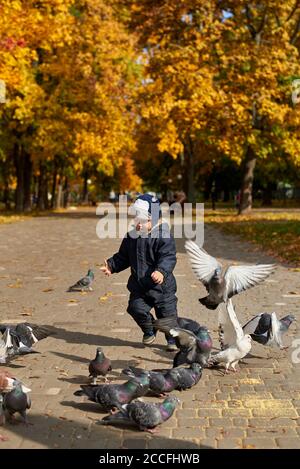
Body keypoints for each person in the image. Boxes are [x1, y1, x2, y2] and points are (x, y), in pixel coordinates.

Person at [100, 193, 178, 351]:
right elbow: (123, 256)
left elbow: (168, 256)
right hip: (140, 287)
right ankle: (150, 329)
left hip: (162, 288)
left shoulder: (163, 236)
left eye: (142, 221)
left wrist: (161, 271)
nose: (137, 224)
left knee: (167, 315)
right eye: (135, 220)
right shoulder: (132, 237)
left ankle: (172, 339)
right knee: (135, 308)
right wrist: (111, 265)